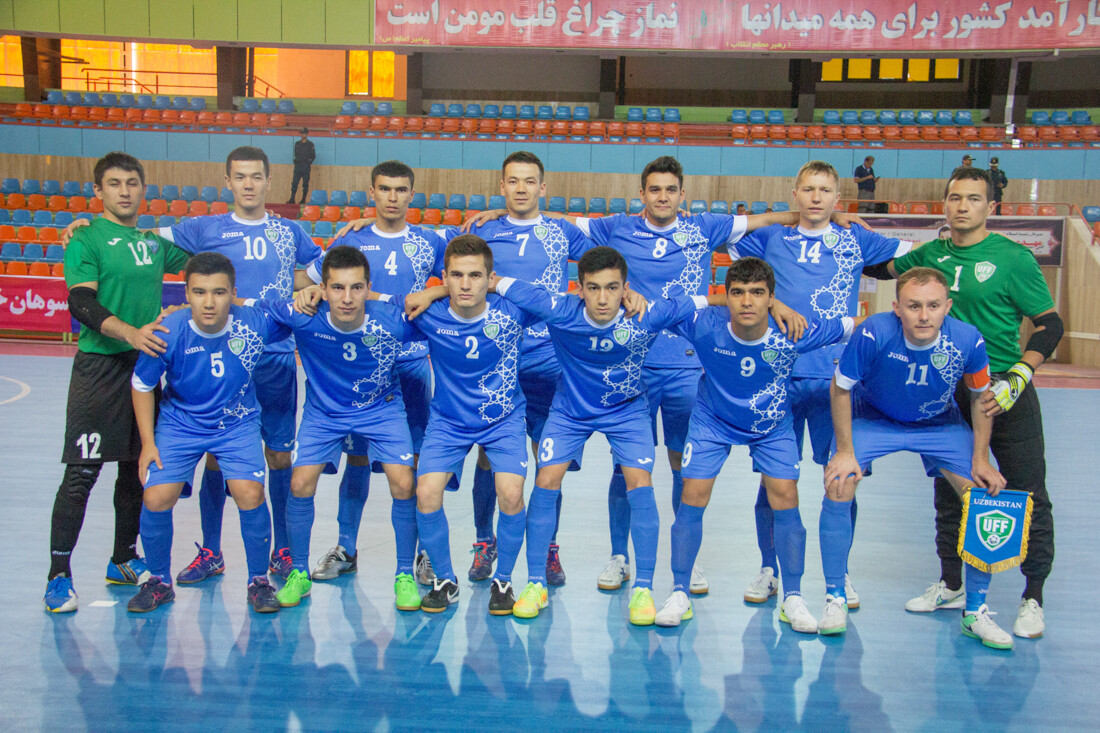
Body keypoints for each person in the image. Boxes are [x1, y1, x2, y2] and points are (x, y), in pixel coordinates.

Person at [870, 167, 1062, 639]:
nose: (962, 206)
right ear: (945, 203)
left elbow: (1050, 324)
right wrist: (835, 232)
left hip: (1001, 389)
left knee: (1026, 489)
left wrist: (1020, 374)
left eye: (973, 198)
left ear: (990, 207)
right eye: (955, 197)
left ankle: (1032, 595)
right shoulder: (931, 254)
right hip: (946, 388)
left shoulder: (1013, 259)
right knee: (950, 489)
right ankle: (952, 584)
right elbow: (876, 267)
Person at [729, 160, 912, 608]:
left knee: (844, 479)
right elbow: (724, 238)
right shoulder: (771, 237)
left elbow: (914, 254)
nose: (816, 197)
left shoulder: (854, 237)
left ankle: (840, 573)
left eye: (825, 190)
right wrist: (779, 219)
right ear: (795, 194)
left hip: (839, 380)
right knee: (773, 481)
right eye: (808, 189)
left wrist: (866, 224)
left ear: (837, 197)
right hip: (780, 375)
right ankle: (770, 569)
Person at [494, 246, 705, 625]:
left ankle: (641, 588)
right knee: (546, 479)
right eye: (593, 288)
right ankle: (536, 582)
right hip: (571, 410)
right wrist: (431, 292)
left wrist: (774, 306)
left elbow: (709, 298)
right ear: (580, 288)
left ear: (626, 288)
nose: (603, 298)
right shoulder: (559, 309)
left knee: (639, 482)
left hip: (626, 411)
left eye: (612, 288)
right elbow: (493, 282)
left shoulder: (648, 312)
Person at [654, 257, 855, 630]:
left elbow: (852, 327)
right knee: (692, 493)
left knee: (785, 495)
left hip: (771, 424)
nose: (747, 301)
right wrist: (711, 300)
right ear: (726, 296)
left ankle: (792, 596)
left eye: (757, 294)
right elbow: (663, 308)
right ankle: (680, 590)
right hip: (713, 420)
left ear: (772, 298)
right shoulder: (704, 326)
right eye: (738, 293)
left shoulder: (793, 330)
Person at [156, 147, 321, 585]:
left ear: (269, 181)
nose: (248, 184)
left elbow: (322, 266)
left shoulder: (289, 231)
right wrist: (90, 228)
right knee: (216, 455)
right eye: (240, 177)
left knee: (279, 455)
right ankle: (212, 550)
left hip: (276, 358)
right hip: (221, 360)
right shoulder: (204, 228)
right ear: (227, 182)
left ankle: (282, 550)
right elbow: (144, 241)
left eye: (256, 177)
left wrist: (303, 289)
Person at [822, 267, 1008, 646]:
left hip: (939, 423)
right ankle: (835, 596)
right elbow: (840, 388)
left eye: (933, 306)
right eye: (914, 306)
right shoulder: (873, 332)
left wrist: (981, 458)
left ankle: (975, 610)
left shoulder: (967, 340)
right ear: (897, 308)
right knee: (839, 484)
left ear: (947, 307)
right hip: (873, 417)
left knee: (987, 497)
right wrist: (844, 452)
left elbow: (980, 399)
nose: (923, 316)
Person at [43, 152, 191, 614]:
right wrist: (131, 331)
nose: (125, 191)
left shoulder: (152, 241)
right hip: (100, 370)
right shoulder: (86, 237)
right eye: (114, 183)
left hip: (144, 369)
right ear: (98, 192)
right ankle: (58, 575)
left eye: (132, 183)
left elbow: (208, 262)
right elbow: (80, 305)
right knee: (82, 474)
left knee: (136, 469)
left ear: (143, 189)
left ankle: (123, 558)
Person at [446, 151, 593, 586]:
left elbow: (602, 265)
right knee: (491, 457)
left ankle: (547, 547)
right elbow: (449, 268)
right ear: (502, 186)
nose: (522, 188)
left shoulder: (563, 231)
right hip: (496, 358)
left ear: (543, 188)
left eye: (530, 181)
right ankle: (483, 540)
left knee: (548, 461)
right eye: (513, 181)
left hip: (548, 359)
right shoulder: (482, 229)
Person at [300, 160, 446, 583]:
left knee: (414, 466)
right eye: (385, 189)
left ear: (411, 194)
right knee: (356, 457)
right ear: (372, 192)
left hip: (412, 362)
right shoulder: (351, 239)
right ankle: (347, 547)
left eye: (401, 190)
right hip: (358, 364)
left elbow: (463, 272)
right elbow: (302, 281)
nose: (393, 197)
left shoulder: (429, 240)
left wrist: (431, 289)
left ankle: (423, 554)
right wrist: (310, 289)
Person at [258, 246, 419, 610]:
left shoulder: (391, 320)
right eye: (337, 288)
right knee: (299, 482)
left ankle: (405, 574)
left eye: (356, 288)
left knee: (404, 481)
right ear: (323, 288)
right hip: (324, 413)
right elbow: (252, 311)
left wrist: (435, 290)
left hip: (381, 409)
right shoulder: (303, 314)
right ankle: (299, 573)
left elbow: (448, 319)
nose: (347, 298)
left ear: (369, 288)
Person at [127, 252, 288, 614]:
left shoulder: (253, 322)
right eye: (199, 292)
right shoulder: (170, 331)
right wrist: (148, 444)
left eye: (219, 292)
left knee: (249, 492)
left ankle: (258, 580)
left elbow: (297, 315)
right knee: (155, 497)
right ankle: (158, 580)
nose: (210, 302)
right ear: (186, 293)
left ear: (233, 293)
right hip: (180, 423)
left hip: (236, 422)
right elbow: (141, 385)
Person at [399, 235, 541, 615]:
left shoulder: (511, 311)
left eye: (476, 275)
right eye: (457, 276)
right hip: (449, 420)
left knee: (510, 492)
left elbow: (552, 301)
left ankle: (505, 580)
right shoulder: (430, 314)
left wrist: (504, 286)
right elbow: (378, 304)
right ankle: (445, 579)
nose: (465, 284)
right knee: (426, 490)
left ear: (490, 278)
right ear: (444, 276)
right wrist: (430, 294)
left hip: (504, 417)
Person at [288, 128, 316, 204]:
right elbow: (296, 154)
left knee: (305, 183)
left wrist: (308, 162)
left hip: (305, 166)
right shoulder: (297, 143)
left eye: (304, 133)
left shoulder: (310, 144)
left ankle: (303, 199)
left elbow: (313, 156)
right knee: (294, 182)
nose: (302, 135)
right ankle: (292, 198)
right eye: (301, 133)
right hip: (298, 166)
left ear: (307, 134)